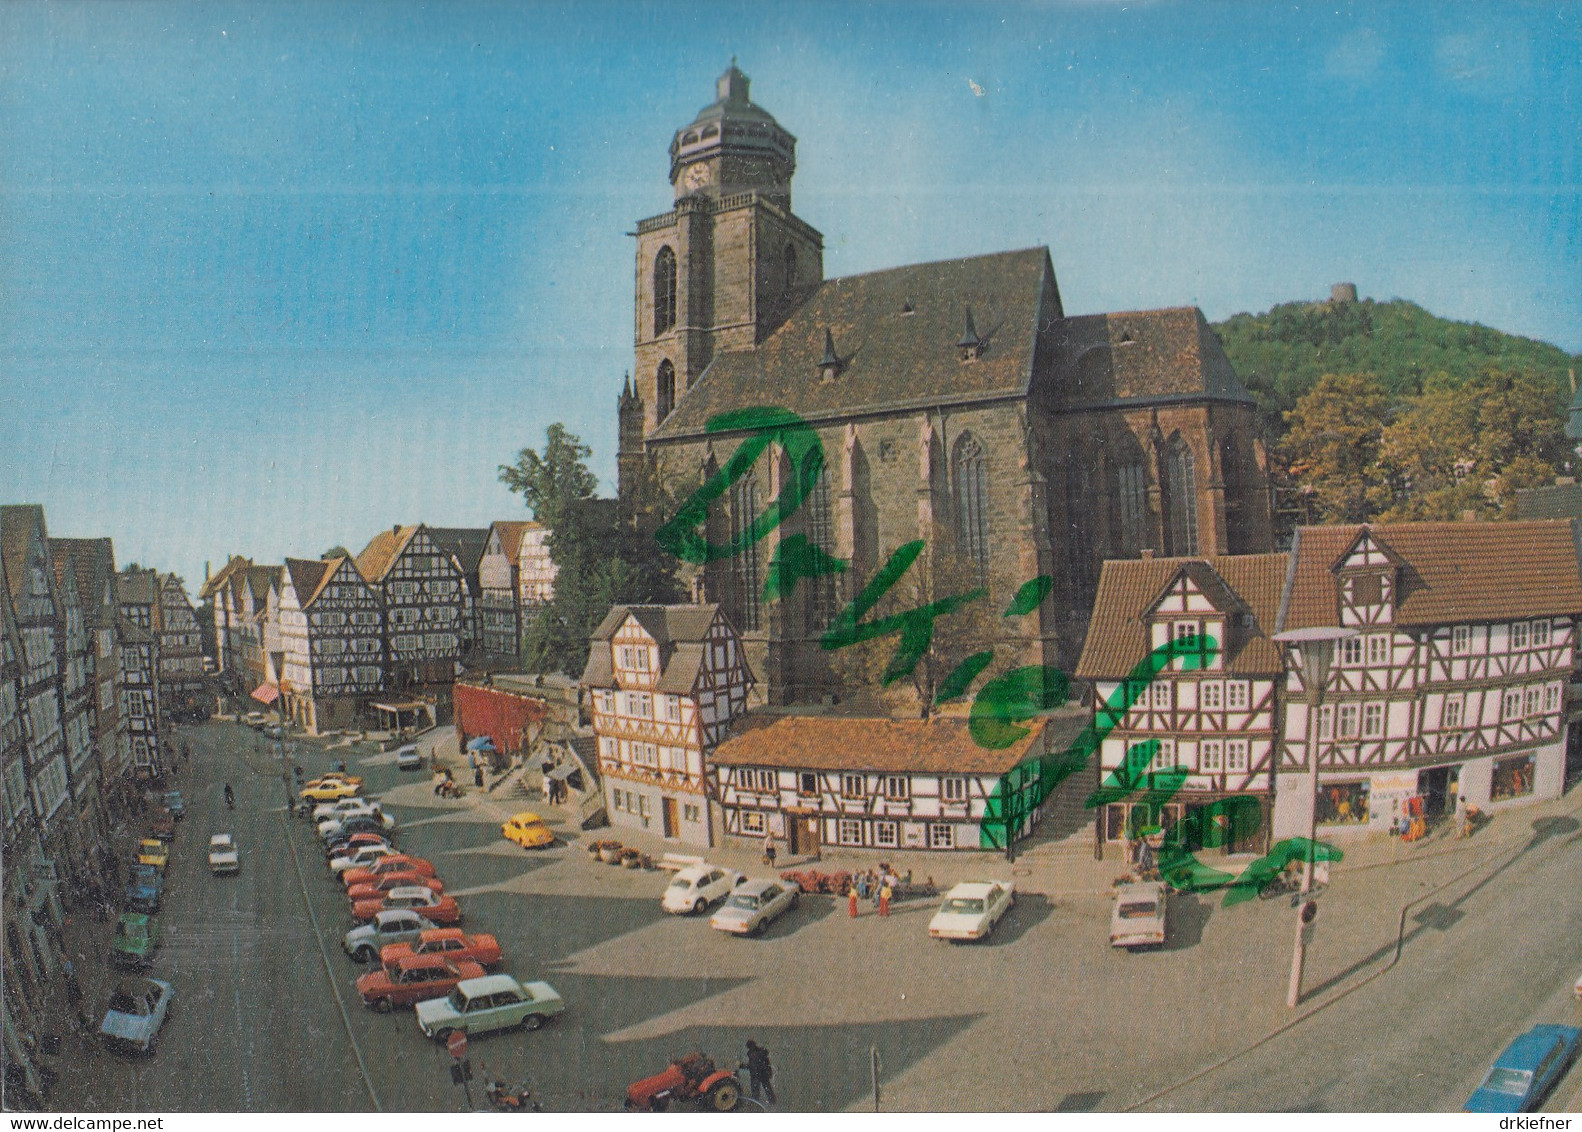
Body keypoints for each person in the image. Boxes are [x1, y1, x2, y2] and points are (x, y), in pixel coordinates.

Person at [742, 1039, 776, 1105]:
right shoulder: (760, 1052)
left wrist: (742, 1065)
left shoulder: (755, 1054)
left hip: (757, 1074)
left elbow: (752, 1065)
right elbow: (765, 1063)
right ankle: (771, 1101)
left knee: (757, 1089)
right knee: (766, 1088)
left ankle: (757, 1102)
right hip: (762, 1074)